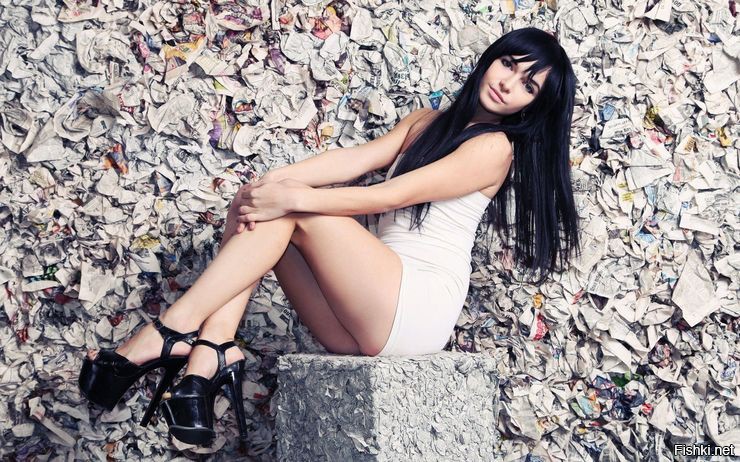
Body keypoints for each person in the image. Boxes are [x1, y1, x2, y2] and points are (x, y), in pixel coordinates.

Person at [78, 26, 581, 447]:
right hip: (358, 320)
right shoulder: (425, 123)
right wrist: (271, 182)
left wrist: (291, 196)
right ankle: (211, 352)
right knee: (260, 203)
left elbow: (389, 195)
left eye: (528, 85)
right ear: (490, 59)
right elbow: (354, 161)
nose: (508, 83)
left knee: (291, 208)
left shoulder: (494, 147)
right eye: (508, 64)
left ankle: (173, 332)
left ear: (533, 106)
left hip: (415, 306)